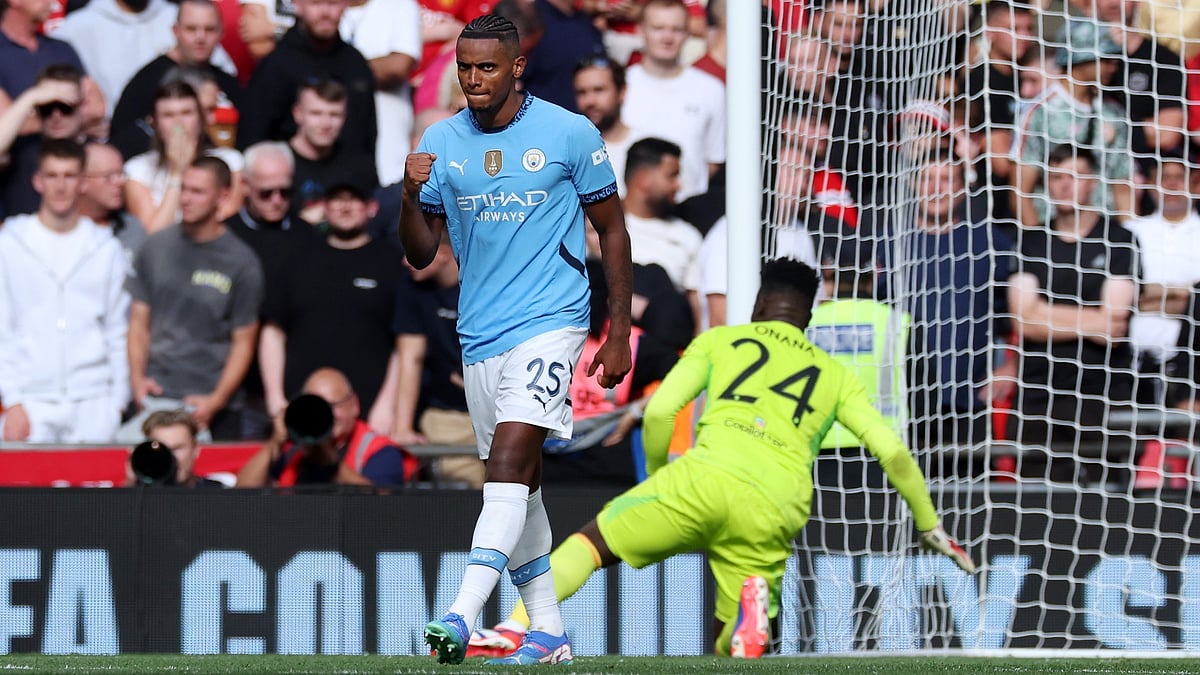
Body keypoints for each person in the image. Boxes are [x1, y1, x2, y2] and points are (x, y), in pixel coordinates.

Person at [470, 258, 975, 660]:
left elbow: (664, 409)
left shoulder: (720, 340)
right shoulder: (834, 374)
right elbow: (891, 449)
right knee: (731, 646)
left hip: (703, 477)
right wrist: (929, 525)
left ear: (757, 304)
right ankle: (747, 620)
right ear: (809, 317)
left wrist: (663, 473)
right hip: (777, 502)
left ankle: (516, 628)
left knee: (589, 544)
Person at [401, 14, 632, 666]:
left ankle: (460, 613)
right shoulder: (441, 139)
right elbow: (421, 253)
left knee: (506, 464)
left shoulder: (568, 131)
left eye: (487, 67)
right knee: (520, 488)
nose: (473, 78)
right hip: (480, 335)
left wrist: (615, 333)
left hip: (553, 322)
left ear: (516, 67)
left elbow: (611, 231)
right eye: (464, 66)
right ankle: (550, 630)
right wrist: (408, 191)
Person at [1007, 144, 1139, 485]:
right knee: (1037, 506)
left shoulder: (1120, 240)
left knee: (1111, 502)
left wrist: (1044, 314)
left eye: (1075, 176)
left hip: (1103, 392)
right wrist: (1090, 318)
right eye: (1057, 177)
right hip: (1039, 393)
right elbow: (1024, 322)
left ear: (1092, 181)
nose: (1065, 185)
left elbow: (1113, 327)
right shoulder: (1031, 243)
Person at [120, 156, 264, 443]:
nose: (185, 199)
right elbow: (138, 323)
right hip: (157, 396)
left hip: (213, 403)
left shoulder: (241, 262)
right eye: (184, 189)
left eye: (197, 192)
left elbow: (244, 341)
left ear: (223, 196)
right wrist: (137, 381)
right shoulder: (155, 247)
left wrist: (217, 399)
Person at [0, 139, 130, 443]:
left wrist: (118, 402)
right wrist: (13, 399)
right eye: (52, 176)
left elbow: (117, 329)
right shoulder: (10, 243)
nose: (60, 186)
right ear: (37, 181)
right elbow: (2, 328)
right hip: (31, 401)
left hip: (94, 400)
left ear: (82, 183)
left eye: (69, 176)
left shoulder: (105, 247)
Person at [259, 175, 403, 431]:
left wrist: (388, 405)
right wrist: (275, 399)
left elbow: (403, 345)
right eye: (337, 200)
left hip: (370, 414)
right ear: (325, 207)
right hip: (300, 409)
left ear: (372, 207)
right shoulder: (296, 260)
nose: (345, 207)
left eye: (354, 200)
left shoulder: (392, 263)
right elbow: (273, 333)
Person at [392, 236, 486, 489]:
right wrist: (401, 427)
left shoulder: (486, 282)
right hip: (448, 415)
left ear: (444, 254)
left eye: (413, 253)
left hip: (498, 406)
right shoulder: (413, 286)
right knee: (465, 490)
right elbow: (410, 357)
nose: (404, 261)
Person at [236, 0, 377, 161]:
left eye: (333, 3)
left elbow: (368, 137)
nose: (325, 12)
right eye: (316, 3)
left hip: (349, 180)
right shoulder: (276, 65)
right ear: (296, 5)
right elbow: (252, 138)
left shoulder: (356, 64)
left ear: (346, 5)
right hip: (288, 179)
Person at [235, 367, 419, 487]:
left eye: (332, 406)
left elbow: (381, 504)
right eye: (316, 408)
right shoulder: (294, 449)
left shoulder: (380, 450)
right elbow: (243, 492)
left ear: (354, 404)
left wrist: (329, 460)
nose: (326, 415)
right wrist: (274, 443)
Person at [110, 0, 244, 160]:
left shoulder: (228, 82)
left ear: (221, 33)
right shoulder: (148, 81)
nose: (200, 37)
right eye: (191, 29)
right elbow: (121, 140)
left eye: (209, 29)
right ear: (175, 31)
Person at [621, 0, 724, 201]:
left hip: (688, 209)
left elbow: (714, 160)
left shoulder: (712, 89)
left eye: (676, 29)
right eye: (658, 28)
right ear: (641, 30)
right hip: (629, 213)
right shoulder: (623, 85)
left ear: (688, 34)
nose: (667, 37)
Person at [1122, 151, 1200, 405]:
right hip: (1128, 363)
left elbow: (1195, 304)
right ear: (1151, 184)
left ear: (1195, 183)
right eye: (1165, 177)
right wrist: (1181, 294)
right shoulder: (1130, 231)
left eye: (1180, 177)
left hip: (1189, 368)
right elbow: (1124, 297)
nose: (1173, 184)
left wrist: (1147, 295)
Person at [124, 80, 244, 234]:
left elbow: (224, 225)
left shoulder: (230, 161)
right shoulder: (137, 169)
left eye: (187, 113)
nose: (178, 124)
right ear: (154, 123)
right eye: (168, 115)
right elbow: (153, 237)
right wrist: (177, 172)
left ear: (200, 119)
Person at [622, 137, 703, 332]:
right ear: (643, 178)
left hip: (663, 343)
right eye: (672, 176)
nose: (679, 186)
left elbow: (696, 309)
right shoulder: (597, 225)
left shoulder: (687, 236)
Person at [0, 63, 90, 217]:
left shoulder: (99, 152)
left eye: (65, 107)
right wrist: (30, 98)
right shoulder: (21, 149)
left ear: (81, 106)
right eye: (46, 108)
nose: (56, 116)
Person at [286, 79, 378, 225]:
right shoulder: (276, 163)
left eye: (334, 114)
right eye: (316, 114)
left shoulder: (360, 165)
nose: (326, 123)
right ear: (297, 113)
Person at [573, 55, 645, 199]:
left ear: (622, 91)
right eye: (582, 92)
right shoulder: (569, 149)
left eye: (599, 90)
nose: (590, 101)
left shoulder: (645, 147)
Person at [79, 142, 149, 263]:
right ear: (82, 182)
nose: (120, 182)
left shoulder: (131, 227)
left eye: (121, 174)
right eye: (108, 176)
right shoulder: (59, 232)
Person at [125, 409, 228, 487]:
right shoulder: (141, 497)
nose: (171, 457)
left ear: (196, 449)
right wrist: (132, 483)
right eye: (163, 450)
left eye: (177, 449)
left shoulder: (217, 494)